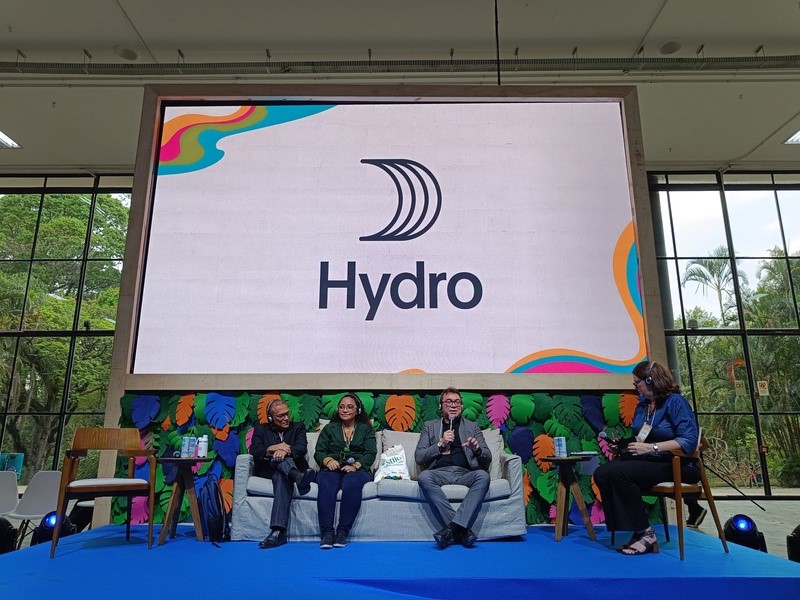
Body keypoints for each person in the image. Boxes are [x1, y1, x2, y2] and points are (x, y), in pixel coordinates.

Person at [594, 360, 700, 555]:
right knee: (602, 473)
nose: (635, 388)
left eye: (637, 383)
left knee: (619, 473)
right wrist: (623, 444)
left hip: (678, 463)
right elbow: (641, 436)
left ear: (650, 381)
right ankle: (637, 530)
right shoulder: (643, 406)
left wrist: (653, 448)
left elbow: (689, 441)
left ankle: (645, 534)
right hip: (651, 462)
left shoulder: (676, 402)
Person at [414, 386, 492, 549]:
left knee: (483, 476)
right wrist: (440, 444)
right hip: (438, 473)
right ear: (441, 406)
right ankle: (462, 531)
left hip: (465, 473)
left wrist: (476, 449)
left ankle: (450, 530)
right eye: (448, 401)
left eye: (457, 402)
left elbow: (488, 456)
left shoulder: (472, 426)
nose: (453, 405)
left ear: (461, 406)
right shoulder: (430, 426)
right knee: (424, 477)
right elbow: (419, 457)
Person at [249, 399, 315, 549]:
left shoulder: (298, 427)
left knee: (281, 476)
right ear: (271, 418)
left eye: (287, 414)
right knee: (276, 461)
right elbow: (255, 451)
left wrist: (285, 451)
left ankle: (277, 531)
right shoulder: (260, 429)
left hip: (284, 470)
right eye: (281, 416)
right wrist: (275, 448)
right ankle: (297, 477)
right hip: (268, 469)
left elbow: (301, 448)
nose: (286, 418)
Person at [314, 393, 376, 549]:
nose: (345, 410)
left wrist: (356, 466)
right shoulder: (330, 428)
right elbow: (319, 451)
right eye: (341, 407)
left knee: (352, 483)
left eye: (350, 407)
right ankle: (327, 533)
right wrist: (328, 461)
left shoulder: (366, 429)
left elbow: (370, 453)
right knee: (326, 483)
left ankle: (342, 532)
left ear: (358, 410)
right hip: (332, 468)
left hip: (357, 469)